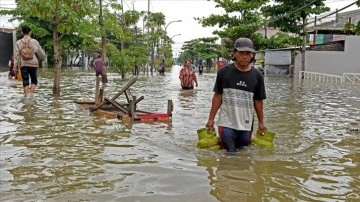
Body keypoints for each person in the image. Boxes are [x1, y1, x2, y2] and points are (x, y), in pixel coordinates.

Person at [205, 38, 266, 152]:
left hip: (246, 125)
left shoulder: (257, 76)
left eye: (247, 53)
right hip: (226, 123)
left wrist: (261, 122)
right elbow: (218, 96)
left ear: (252, 55)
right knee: (230, 154)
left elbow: (258, 101)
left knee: (243, 155)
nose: (244, 56)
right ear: (234, 53)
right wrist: (211, 119)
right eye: (241, 53)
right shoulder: (224, 72)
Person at [14, 25, 46, 97]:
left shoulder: (18, 42)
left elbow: (16, 56)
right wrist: (43, 58)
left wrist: (15, 68)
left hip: (23, 64)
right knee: (34, 81)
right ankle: (31, 95)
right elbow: (41, 53)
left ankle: (26, 96)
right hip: (33, 64)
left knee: (25, 81)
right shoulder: (34, 41)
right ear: (30, 32)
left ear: (22, 32)